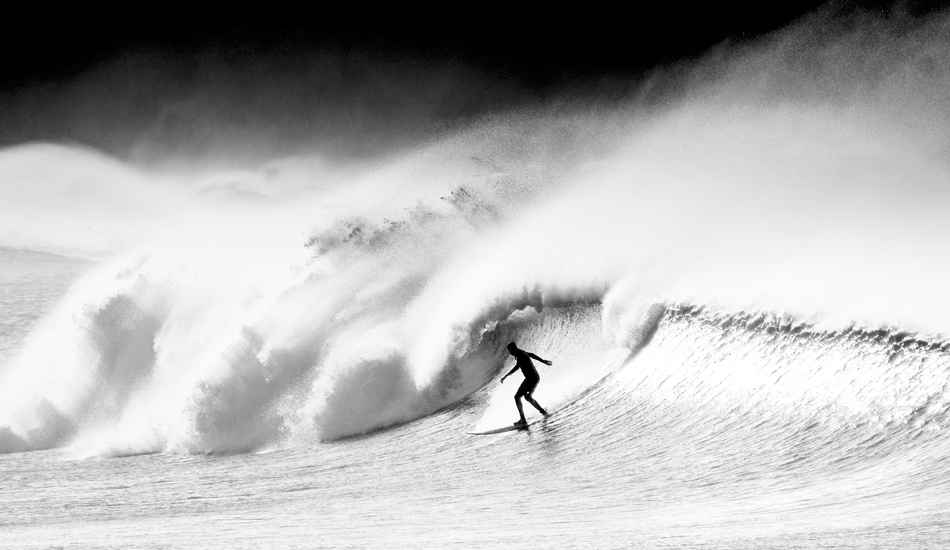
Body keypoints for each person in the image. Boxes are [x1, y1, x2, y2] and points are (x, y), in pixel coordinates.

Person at [500, 342, 552, 427]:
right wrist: (542, 360)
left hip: (530, 379)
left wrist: (506, 376)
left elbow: (517, 367)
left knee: (517, 397)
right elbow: (531, 354)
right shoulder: (521, 352)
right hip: (535, 378)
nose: (509, 352)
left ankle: (523, 419)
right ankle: (543, 412)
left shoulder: (520, 355)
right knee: (527, 397)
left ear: (513, 349)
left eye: (509, 350)